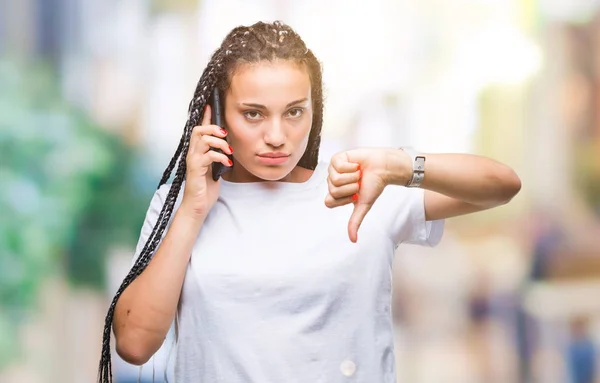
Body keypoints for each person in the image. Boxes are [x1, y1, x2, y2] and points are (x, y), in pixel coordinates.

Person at [97, 21, 522, 383]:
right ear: (216, 115)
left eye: (295, 112)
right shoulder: (186, 203)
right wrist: (191, 211)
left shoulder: (358, 185)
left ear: (314, 110)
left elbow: (502, 184)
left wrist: (399, 164)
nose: (278, 135)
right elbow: (134, 344)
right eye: (254, 113)